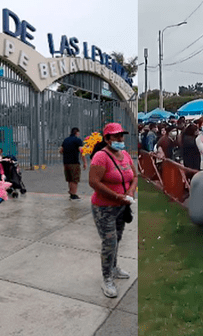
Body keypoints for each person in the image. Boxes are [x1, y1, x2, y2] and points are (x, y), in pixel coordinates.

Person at [88, 123, 136, 298]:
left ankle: (114, 267)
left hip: (122, 207)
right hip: (104, 208)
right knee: (109, 243)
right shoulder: (101, 157)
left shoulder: (124, 155)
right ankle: (107, 278)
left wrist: (130, 192)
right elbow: (94, 182)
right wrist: (116, 196)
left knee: (118, 238)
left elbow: (135, 176)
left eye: (121, 136)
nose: (120, 139)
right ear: (107, 139)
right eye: (116, 136)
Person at [59, 127, 87, 200]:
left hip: (66, 163)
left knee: (69, 179)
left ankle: (71, 192)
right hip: (74, 162)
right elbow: (82, 151)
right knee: (74, 179)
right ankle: (73, 194)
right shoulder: (78, 140)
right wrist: (85, 162)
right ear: (76, 133)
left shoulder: (66, 140)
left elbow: (61, 150)